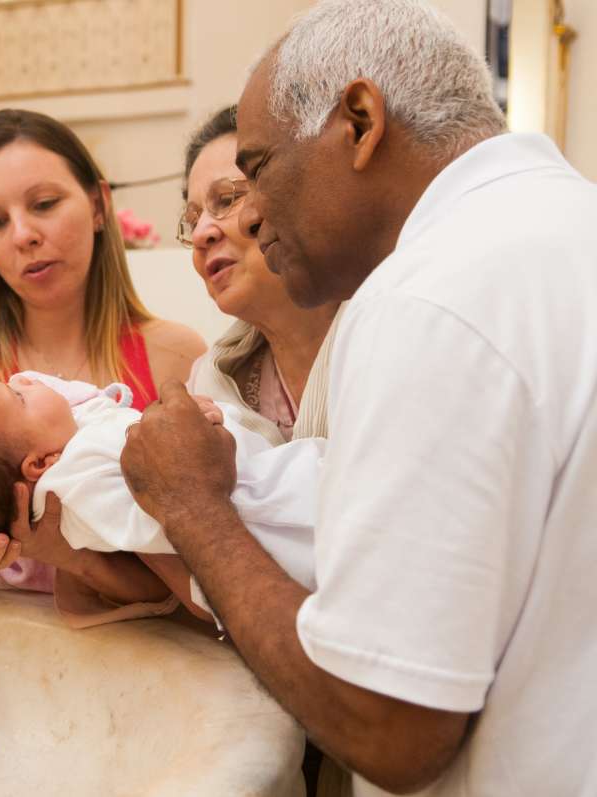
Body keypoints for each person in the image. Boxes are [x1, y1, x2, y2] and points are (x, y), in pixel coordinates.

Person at [121, 1, 597, 794]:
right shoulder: (566, 224)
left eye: (259, 170)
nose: (249, 215)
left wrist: (192, 507)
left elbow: (388, 724)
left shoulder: (425, 299)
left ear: (360, 120)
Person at [0, 108, 207, 586]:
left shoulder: (176, 358)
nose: (24, 235)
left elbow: (207, 571)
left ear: (99, 205)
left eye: (45, 203)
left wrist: (58, 550)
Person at [141, 105, 344, 632]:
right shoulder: (209, 381)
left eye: (227, 200)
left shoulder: (381, 338)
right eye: (192, 220)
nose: (205, 231)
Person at [0, 371, 320, 618]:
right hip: (268, 527)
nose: (25, 380)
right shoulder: (78, 481)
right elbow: (167, 517)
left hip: (263, 503)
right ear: (39, 464)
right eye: (18, 396)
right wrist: (184, 427)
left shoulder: (66, 452)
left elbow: (93, 410)